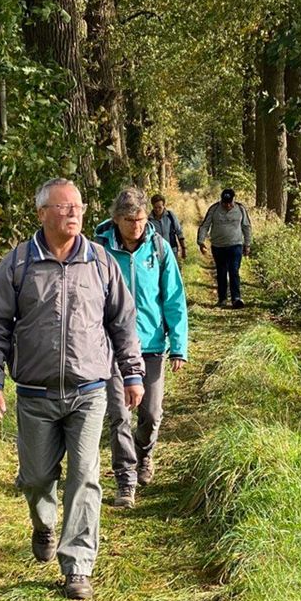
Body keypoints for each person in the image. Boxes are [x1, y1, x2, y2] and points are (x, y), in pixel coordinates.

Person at [0, 177, 145, 601]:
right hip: (34, 393)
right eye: (63, 206)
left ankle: (77, 565)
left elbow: (122, 323)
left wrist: (132, 373)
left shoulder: (101, 263)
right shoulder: (17, 265)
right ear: (41, 214)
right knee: (36, 478)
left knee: (85, 476)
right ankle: (44, 523)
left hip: (90, 389)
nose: (73, 213)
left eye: (78, 206)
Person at [94, 188, 189, 508]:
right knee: (119, 415)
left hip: (150, 345)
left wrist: (178, 345)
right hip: (111, 345)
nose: (136, 225)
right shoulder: (99, 250)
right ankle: (125, 479)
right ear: (116, 219)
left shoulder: (159, 249)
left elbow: (174, 299)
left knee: (150, 413)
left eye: (141, 219)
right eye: (129, 220)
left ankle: (144, 453)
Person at [197, 188, 252, 308]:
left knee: (234, 271)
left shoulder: (240, 209)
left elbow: (246, 227)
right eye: (225, 202)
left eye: (230, 202)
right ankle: (222, 299)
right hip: (218, 246)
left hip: (235, 245)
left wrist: (247, 244)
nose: (227, 205)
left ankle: (236, 298)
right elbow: (204, 225)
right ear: (221, 201)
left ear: (234, 200)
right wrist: (201, 242)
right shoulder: (214, 209)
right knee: (221, 272)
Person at [149, 193, 187, 261]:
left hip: (172, 250)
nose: (157, 210)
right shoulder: (149, 220)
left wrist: (183, 248)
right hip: (156, 253)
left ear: (164, 206)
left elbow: (179, 232)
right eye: (155, 207)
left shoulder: (170, 216)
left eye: (159, 207)